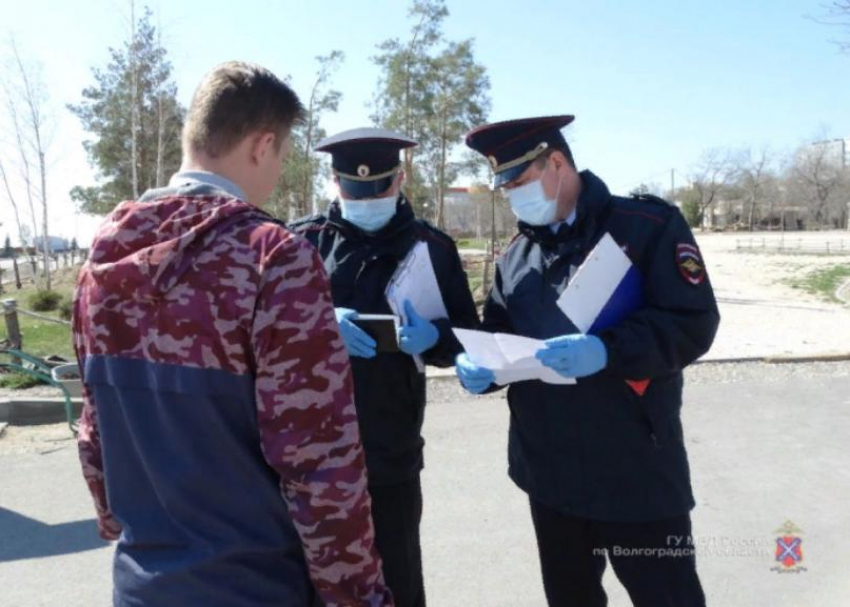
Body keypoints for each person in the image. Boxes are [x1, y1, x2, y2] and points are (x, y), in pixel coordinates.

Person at [73, 62, 394, 607]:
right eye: (284, 155)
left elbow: (94, 425)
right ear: (262, 145)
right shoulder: (274, 257)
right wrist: (359, 595)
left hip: (144, 582)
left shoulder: (105, 253)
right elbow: (319, 461)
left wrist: (117, 519)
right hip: (254, 584)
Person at [458, 115, 720, 607]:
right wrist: (482, 369)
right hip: (549, 473)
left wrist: (607, 350)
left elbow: (693, 322)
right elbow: (500, 335)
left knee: (668, 596)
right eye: (506, 187)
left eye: (520, 182)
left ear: (557, 163)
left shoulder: (646, 227)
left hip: (635, 468)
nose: (513, 196)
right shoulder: (515, 255)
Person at [290, 127, 479, 607]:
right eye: (355, 188)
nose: (367, 196)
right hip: (314, 449)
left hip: (392, 448)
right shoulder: (300, 244)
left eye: (378, 187)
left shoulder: (431, 247)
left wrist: (438, 337)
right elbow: (262, 333)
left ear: (399, 180)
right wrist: (318, 323)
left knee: (398, 577)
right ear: (335, 183)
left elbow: (465, 336)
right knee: (315, 582)